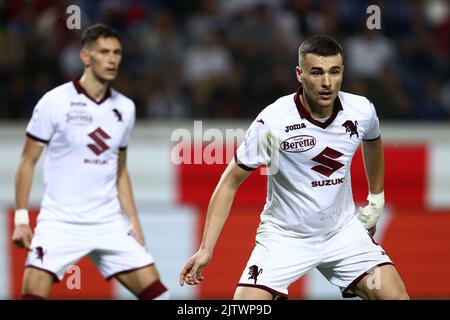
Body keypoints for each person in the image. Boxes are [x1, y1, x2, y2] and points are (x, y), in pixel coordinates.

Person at [179, 35, 409, 300]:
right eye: (316, 72)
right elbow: (230, 181)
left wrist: (376, 200)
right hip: (284, 237)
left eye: (334, 72)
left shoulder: (361, 110)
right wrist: (206, 249)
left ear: (342, 72)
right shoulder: (273, 122)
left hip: (342, 233)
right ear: (299, 74)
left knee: (396, 297)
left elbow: (372, 141)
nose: (327, 82)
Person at [12, 24, 169, 300]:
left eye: (117, 53)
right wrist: (22, 219)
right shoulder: (55, 102)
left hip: (109, 222)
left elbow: (120, 170)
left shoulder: (125, 108)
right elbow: (27, 162)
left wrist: (133, 222)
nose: (112, 59)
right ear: (86, 56)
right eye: (104, 52)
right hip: (60, 222)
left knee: (159, 296)